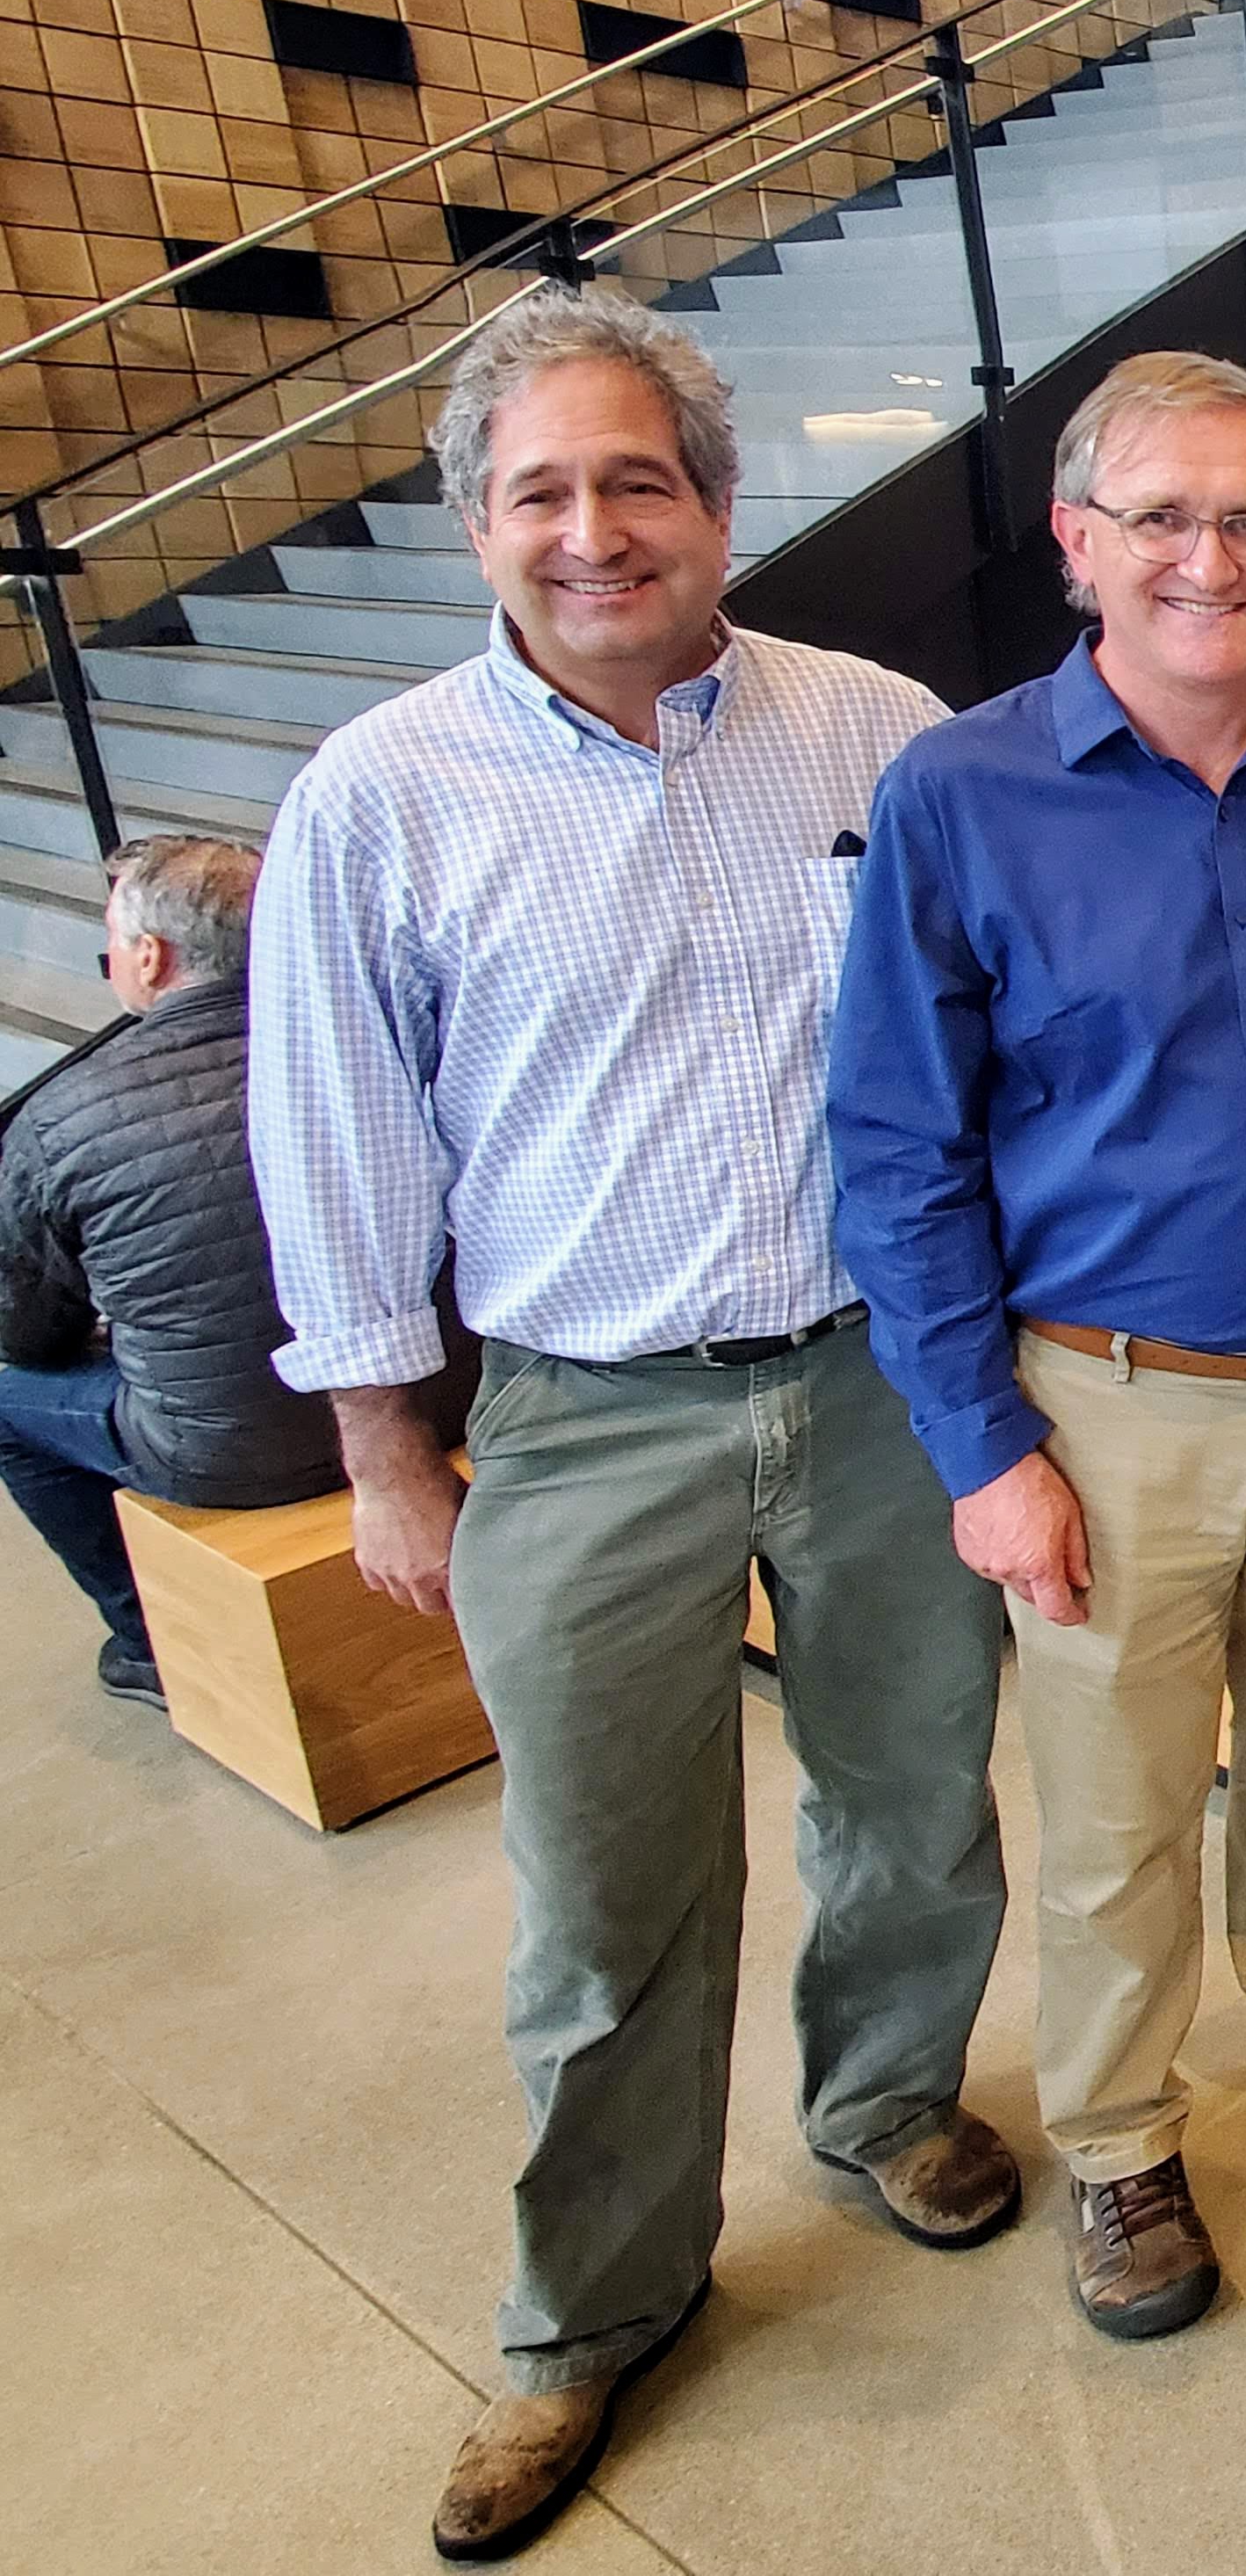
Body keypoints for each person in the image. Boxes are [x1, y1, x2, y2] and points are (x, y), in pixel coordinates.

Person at [250, 285, 1019, 2565]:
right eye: (541, 492)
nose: (595, 531)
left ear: (716, 500)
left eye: (637, 481)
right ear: (473, 524)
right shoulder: (382, 799)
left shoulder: (881, 735)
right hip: (582, 1422)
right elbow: (337, 1141)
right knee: (603, 1897)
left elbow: (1042, 977)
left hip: (878, 1383)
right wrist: (386, 1448)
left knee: (911, 1799)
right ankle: (587, 2307)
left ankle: (888, 2099)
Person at [829, 352, 1246, 2347]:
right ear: (1077, 543)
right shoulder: (961, 791)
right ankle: (1118, 2134)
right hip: (1103, 1400)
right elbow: (895, 1139)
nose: (1209, 556)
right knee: (1114, 1798)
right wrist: (975, 1441)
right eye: (1162, 516)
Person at [0, 837, 340, 1710]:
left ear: (150, 955)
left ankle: (151, 1641)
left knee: (7, 1400)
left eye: (110, 939)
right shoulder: (363, 1041)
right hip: (443, 1393)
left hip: (239, 1452)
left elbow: (26, 1335)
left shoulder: (61, 1115)